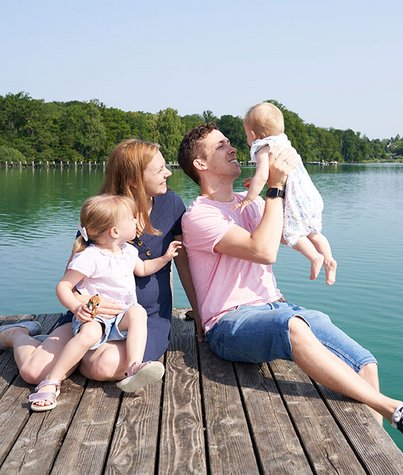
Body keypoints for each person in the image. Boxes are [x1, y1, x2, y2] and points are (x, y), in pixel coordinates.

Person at [177, 123, 403, 452]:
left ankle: (376, 452)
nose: (233, 148)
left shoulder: (249, 204)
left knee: (364, 362)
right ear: (200, 164)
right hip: (229, 323)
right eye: (221, 146)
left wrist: (311, 228)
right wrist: (273, 187)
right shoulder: (199, 216)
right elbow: (263, 250)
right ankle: (395, 410)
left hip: (276, 306)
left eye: (231, 143)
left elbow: (291, 232)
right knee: (293, 327)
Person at [0, 138, 200, 407]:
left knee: (103, 367)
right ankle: (18, 335)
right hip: (91, 317)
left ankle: (74, 356)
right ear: (133, 180)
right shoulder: (103, 213)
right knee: (33, 372)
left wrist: (200, 312)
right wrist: (85, 305)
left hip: (142, 317)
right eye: (160, 169)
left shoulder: (171, 203)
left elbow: (182, 262)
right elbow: (70, 279)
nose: (168, 173)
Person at [28, 194, 182, 411]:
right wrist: (76, 307)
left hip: (120, 315)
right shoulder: (90, 257)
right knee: (89, 334)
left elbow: (143, 269)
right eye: (131, 218)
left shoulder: (128, 251)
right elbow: (63, 286)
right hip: (95, 316)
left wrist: (165, 258)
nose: (136, 222)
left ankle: (133, 366)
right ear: (115, 231)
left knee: (137, 313)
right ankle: (52, 380)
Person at [234, 102, 336, 284]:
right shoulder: (282, 141)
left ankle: (314, 257)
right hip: (310, 195)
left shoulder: (261, 147)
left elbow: (263, 174)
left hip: (295, 198)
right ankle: (329, 259)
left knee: (291, 233)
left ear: (252, 134)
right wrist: (257, 183)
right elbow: (272, 175)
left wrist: (249, 198)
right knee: (314, 233)